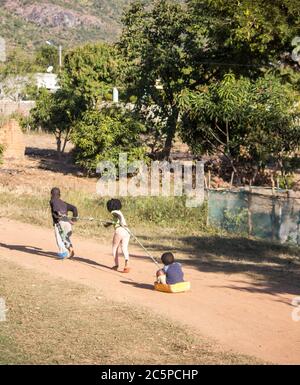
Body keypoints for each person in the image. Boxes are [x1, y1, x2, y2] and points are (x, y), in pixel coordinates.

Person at [50, 187, 78, 259]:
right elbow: (74, 208)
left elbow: (55, 206)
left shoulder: (52, 200)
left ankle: (63, 252)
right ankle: (70, 249)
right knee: (65, 237)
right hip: (67, 222)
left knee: (59, 238)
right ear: (59, 195)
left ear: (51, 194)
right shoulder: (64, 203)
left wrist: (59, 213)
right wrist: (74, 219)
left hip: (60, 222)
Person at [105, 198, 130, 273]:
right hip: (126, 231)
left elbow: (118, 216)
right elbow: (116, 220)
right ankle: (127, 264)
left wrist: (120, 219)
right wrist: (108, 224)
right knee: (124, 247)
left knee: (115, 248)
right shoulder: (119, 211)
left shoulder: (114, 212)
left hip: (120, 230)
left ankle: (116, 265)